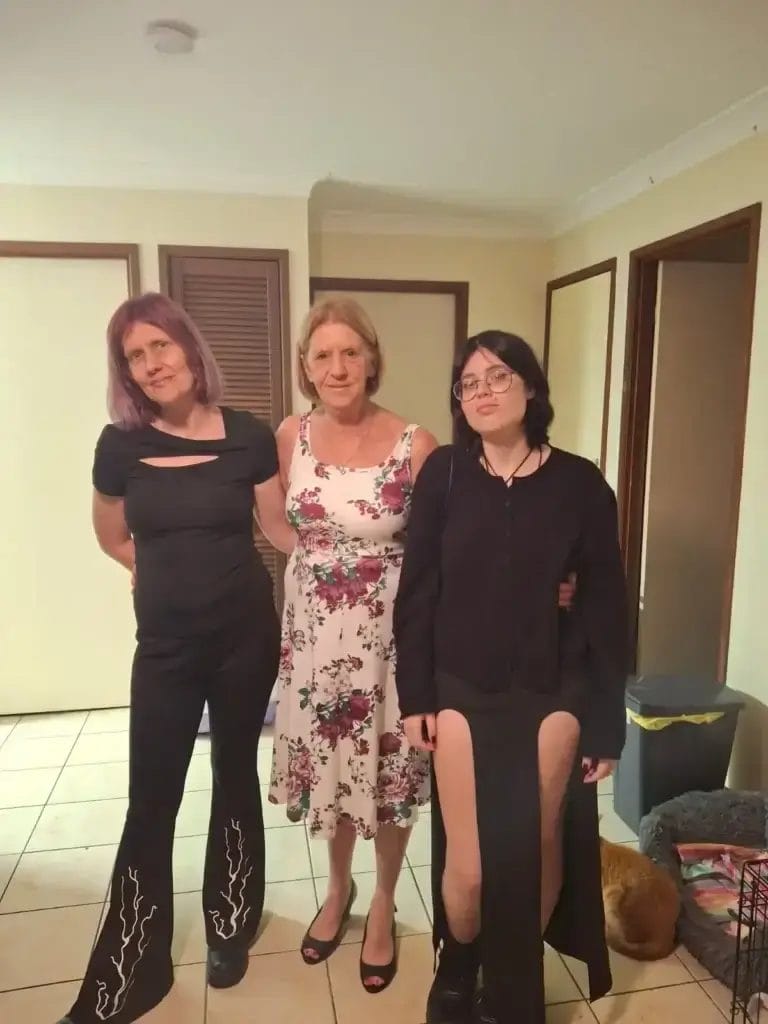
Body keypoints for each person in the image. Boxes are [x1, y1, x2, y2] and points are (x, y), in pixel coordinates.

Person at [57, 293, 293, 1024]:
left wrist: (373, 564)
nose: (152, 363)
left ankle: (230, 922)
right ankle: (133, 966)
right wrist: (154, 573)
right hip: (163, 648)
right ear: (126, 372)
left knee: (232, 772)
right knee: (150, 798)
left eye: (161, 345)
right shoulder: (118, 446)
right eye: (135, 355)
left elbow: (281, 531)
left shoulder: (249, 437)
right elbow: (110, 536)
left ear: (191, 350)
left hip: (245, 636)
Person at [393, 330, 628, 1024]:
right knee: (470, 866)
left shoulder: (581, 483)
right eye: (469, 383)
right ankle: (460, 961)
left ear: (530, 388)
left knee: (533, 850)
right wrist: (416, 698)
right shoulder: (443, 475)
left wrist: (607, 723)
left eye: (498, 376)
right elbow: (418, 590)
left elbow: (606, 602)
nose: (483, 391)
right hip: (462, 685)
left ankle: (514, 977)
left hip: (553, 684)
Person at [267, 296, 439, 993]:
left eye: (350, 352)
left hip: (388, 639)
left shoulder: (416, 443)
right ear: (307, 367)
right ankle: (337, 891)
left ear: (371, 359)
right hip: (313, 637)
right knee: (333, 769)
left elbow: (439, 548)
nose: (337, 367)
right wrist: (318, 568)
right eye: (322, 355)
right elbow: (278, 526)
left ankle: (384, 904)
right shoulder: (289, 436)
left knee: (389, 779)